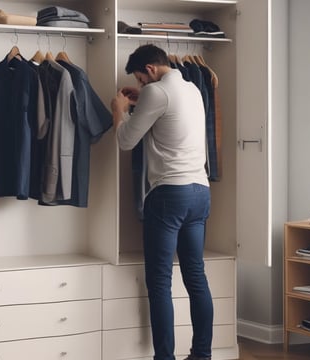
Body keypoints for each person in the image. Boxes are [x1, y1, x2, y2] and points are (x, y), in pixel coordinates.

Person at [110, 44, 213, 360]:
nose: (141, 85)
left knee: (159, 281)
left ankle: (164, 357)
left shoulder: (156, 93)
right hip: (200, 191)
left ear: (150, 70)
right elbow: (171, 116)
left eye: (141, 79)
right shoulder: (193, 88)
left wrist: (120, 110)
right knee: (195, 276)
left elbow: (126, 140)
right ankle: (202, 355)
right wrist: (143, 100)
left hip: (170, 194)